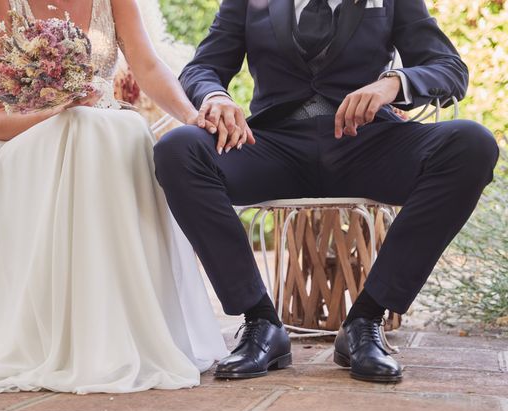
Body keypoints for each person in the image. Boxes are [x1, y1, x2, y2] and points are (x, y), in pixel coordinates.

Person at [0, 0, 229, 404]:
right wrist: (57, 111)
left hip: (102, 131)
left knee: (123, 130)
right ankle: (71, 341)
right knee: (82, 128)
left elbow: (147, 66)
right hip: (26, 141)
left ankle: (120, 333)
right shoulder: (2, 3)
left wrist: (190, 114)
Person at [153, 0, 500, 382]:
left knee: (473, 144)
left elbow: (450, 69)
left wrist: (394, 83)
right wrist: (215, 97)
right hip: (273, 148)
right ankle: (261, 321)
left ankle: (366, 320)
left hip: (369, 146)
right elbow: (203, 67)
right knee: (178, 149)